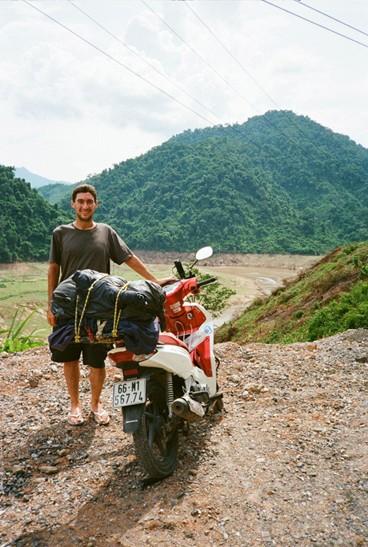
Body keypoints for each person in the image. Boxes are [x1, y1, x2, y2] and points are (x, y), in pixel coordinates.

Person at [47, 183, 171, 426]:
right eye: (80, 201)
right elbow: (53, 268)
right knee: (69, 357)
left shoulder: (106, 232)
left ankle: (95, 404)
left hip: (100, 308)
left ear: (96, 204)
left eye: (89, 201)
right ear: (73, 204)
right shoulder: (60, 233)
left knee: (96, 358)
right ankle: (74, 405)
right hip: (68, 306)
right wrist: (50, 303)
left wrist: (154, 282)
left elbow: (129, 258)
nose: (84, 206)